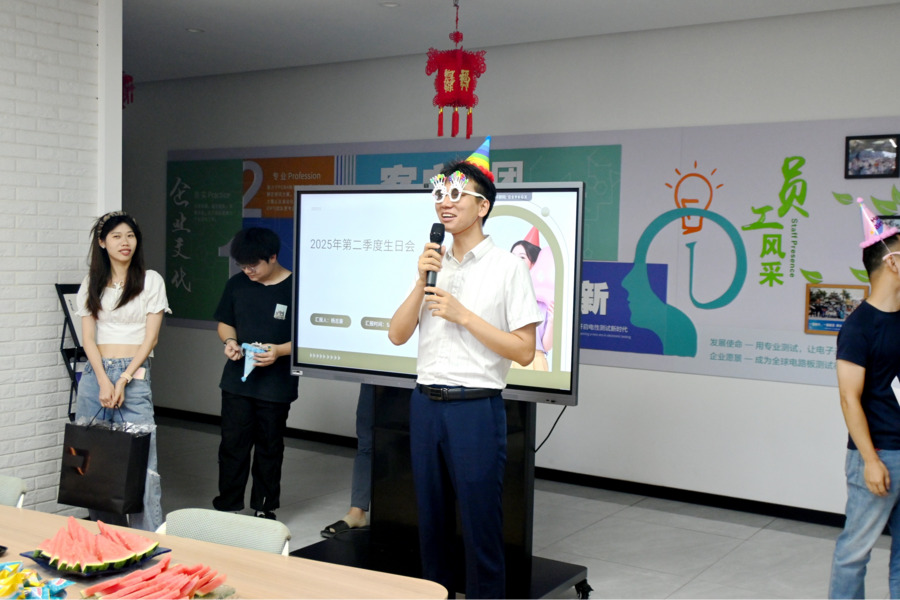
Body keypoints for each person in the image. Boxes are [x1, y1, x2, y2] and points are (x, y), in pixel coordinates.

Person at [387, 138, 542, 599]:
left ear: (483, 206)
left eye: (457, 194)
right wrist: (421, 280)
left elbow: (525, 351)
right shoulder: (433, 263)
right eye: (440, 194)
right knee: (430, 521)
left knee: (480, 524)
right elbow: (397, 334)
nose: (445, 202)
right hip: (424, 404)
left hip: (475, 409)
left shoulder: (508, 268)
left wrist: (464, 316)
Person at [74, 211, 170, 532]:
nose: (125, 242)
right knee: (94, 463)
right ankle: (107, 537)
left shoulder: (150, 280)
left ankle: (148, 542)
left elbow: (151, 338)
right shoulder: (91, 283)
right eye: (116, 236)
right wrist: (104, 380)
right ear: (103, 242)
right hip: (95, 377)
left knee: (142, 463)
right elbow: (88, 339)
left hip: (135, 374)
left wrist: (124, 378)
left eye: (130, 235)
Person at [829, 200, 900, 599]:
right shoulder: (859, 327)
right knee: (855, 551)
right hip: (879, 454)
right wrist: (871, 460)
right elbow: (848, 398)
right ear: (892, 263)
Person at [213, 227, 298, 520]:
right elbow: (225, 322)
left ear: (272, 257)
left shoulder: (296, 287)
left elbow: (308, 338)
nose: (247, 271)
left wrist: (279, 351)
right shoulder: (237, 284)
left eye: (253, 265)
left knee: (269, 447)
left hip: (276, 384)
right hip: (237, 381)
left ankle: (264, 506)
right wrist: (230, 342)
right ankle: (228, 504)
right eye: (242, 265)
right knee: (232, 445)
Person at [320, 383, 374, 537]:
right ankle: (357, 512)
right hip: (375, 378)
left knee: (409, 444)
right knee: (366, 442)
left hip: (416, 381)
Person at [511, 233, 553, 371]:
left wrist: (552, 320)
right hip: (505, 360)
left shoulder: (544, 301)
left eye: (522, 257)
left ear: (534, 264)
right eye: (512, 256)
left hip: (535, 362)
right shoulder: (504, 294)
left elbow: (546, 346)